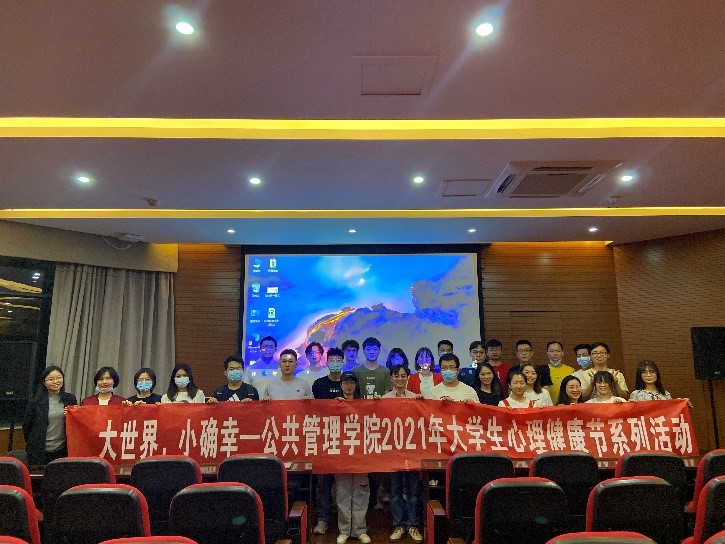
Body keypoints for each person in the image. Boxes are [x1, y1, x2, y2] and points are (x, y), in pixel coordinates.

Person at [382, 364, 423, 542]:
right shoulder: (384, 400)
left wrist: (423, 402)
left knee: (413, 493)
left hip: (412, 452)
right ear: (391, 378)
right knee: (395, 492)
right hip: (393, 452)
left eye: (403, 376)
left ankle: (413, 525)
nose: (400, 379)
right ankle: (398, 525)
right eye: (396, 376)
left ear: (408, 378)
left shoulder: (416, 398)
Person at [335, 371, 371, 544]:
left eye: (352, 383)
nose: (349, 386)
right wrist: (336, 406)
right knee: (343, 493)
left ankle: (360, 530)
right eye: (345, 383)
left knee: (361, 493)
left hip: (360, 455)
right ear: (340, 385)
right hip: (341, 456)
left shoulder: (364, 405)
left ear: (356, 385)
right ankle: (344, 530)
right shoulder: (334, 404)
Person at [311, 347, 344, 535]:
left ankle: (344, 522)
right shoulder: (318, 384)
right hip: (323, 439)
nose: (335, 363)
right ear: (326, 361)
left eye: (338, 360)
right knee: (322, 484)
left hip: (346, 440)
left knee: (343, 485)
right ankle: (322, 520)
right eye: (332, 359)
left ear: (343, 362)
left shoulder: (350, 382)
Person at [23, 366, 77, 465]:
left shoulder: (70, 399)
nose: (56, 381)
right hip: (39, 451)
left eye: (59, 378)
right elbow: (27, 427)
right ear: (44, 383)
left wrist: (72, 415)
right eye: (51, 379)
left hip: (62, 450)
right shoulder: (35, 401)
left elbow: (75, 424)